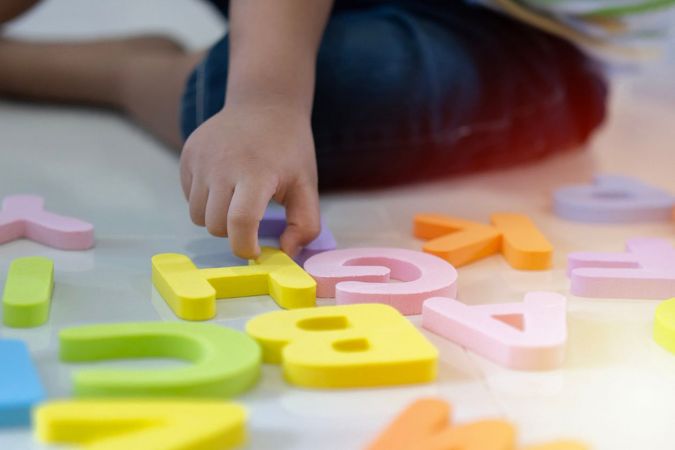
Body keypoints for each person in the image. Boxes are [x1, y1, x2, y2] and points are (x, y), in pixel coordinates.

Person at [0, 0, 612, 259]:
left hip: (535, 39)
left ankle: (118, 72)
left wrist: (263, 101)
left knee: (244, 119)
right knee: (251, 102)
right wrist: (266, 97)